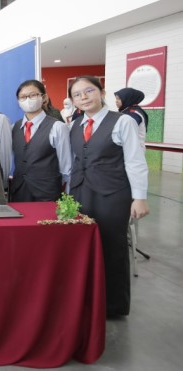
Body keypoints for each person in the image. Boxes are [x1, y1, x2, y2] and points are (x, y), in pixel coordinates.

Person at [68, 75, 149, 317]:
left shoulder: (123, 122)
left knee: (112, 247)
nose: (84, 97)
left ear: (102, 93)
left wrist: (139, 197)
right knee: (83, 248)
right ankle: (88, 300)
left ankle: (113, 306)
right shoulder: (75, 125)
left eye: (89, 91)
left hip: (112, 194)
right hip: (81, 192)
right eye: (77, 94)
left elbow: (135, 161)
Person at [10, 80, 71, 202]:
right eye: (23, 97)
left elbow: (66, 166)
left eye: (33, 95)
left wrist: (67, 193)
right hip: (19, 191)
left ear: (44, 97)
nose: (28, 100)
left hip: (47, 193)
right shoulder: (14, 127)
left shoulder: (58, 127)